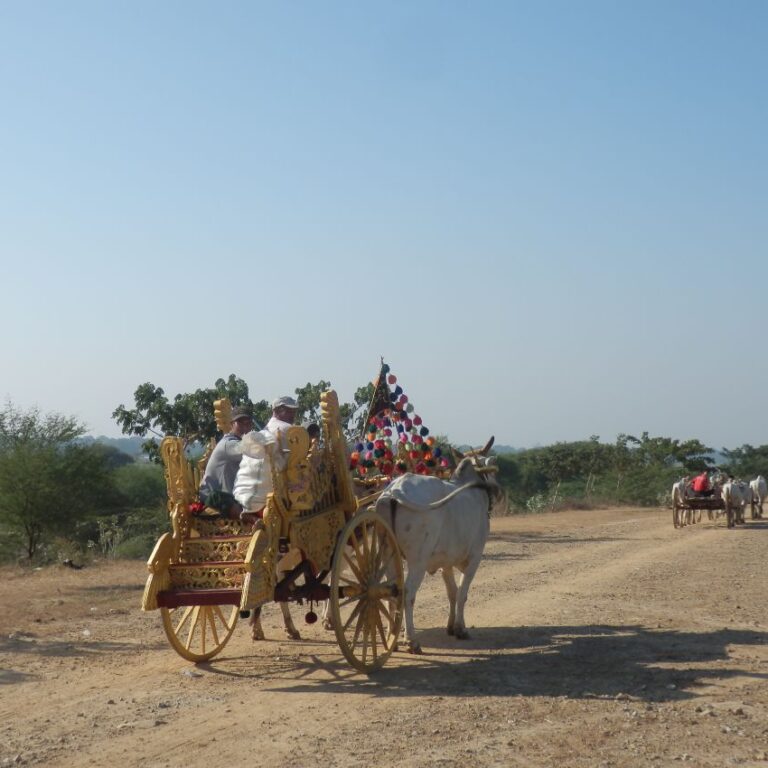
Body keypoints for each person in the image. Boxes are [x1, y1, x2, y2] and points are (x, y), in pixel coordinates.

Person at [234, 396, 299, 515]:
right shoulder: (288, 429)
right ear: (277, 411)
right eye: (289, 411)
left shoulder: (265, 431)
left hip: (253, 497)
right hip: (276, 496)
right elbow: (297, 460)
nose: (293, 414)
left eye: (294, 411)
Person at [198, 405, 256, 518]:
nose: (245, 427)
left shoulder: (242, 441)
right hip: (214, 495)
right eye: (240, 423)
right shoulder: (228, 444)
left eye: (248, 423)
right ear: (232, 424)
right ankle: (252, 520)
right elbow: (253, 452)